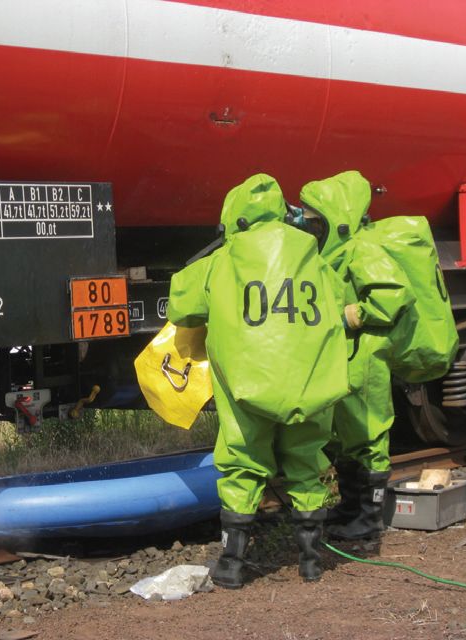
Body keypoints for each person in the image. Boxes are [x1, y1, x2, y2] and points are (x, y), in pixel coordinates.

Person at [167, 174, 348, 587]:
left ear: (235, 218)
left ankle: (232, 565)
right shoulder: (313, 255)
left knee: (242, 463)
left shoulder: (223, 260)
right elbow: (339, 300)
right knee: (307, 461)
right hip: (308, 384)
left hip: (248, 386)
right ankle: (311, 561)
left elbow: (181, 306)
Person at [295, 170, 416, 540]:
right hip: (342, 357)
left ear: (338, 220)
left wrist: (352, 315)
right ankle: (350, 508)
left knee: (368, 434)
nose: (310, 227)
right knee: (342, 435)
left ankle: (369, 518)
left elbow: (393, 295)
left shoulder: (361, 249)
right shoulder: (330, 254)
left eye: (316, 221)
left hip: (364, 357)